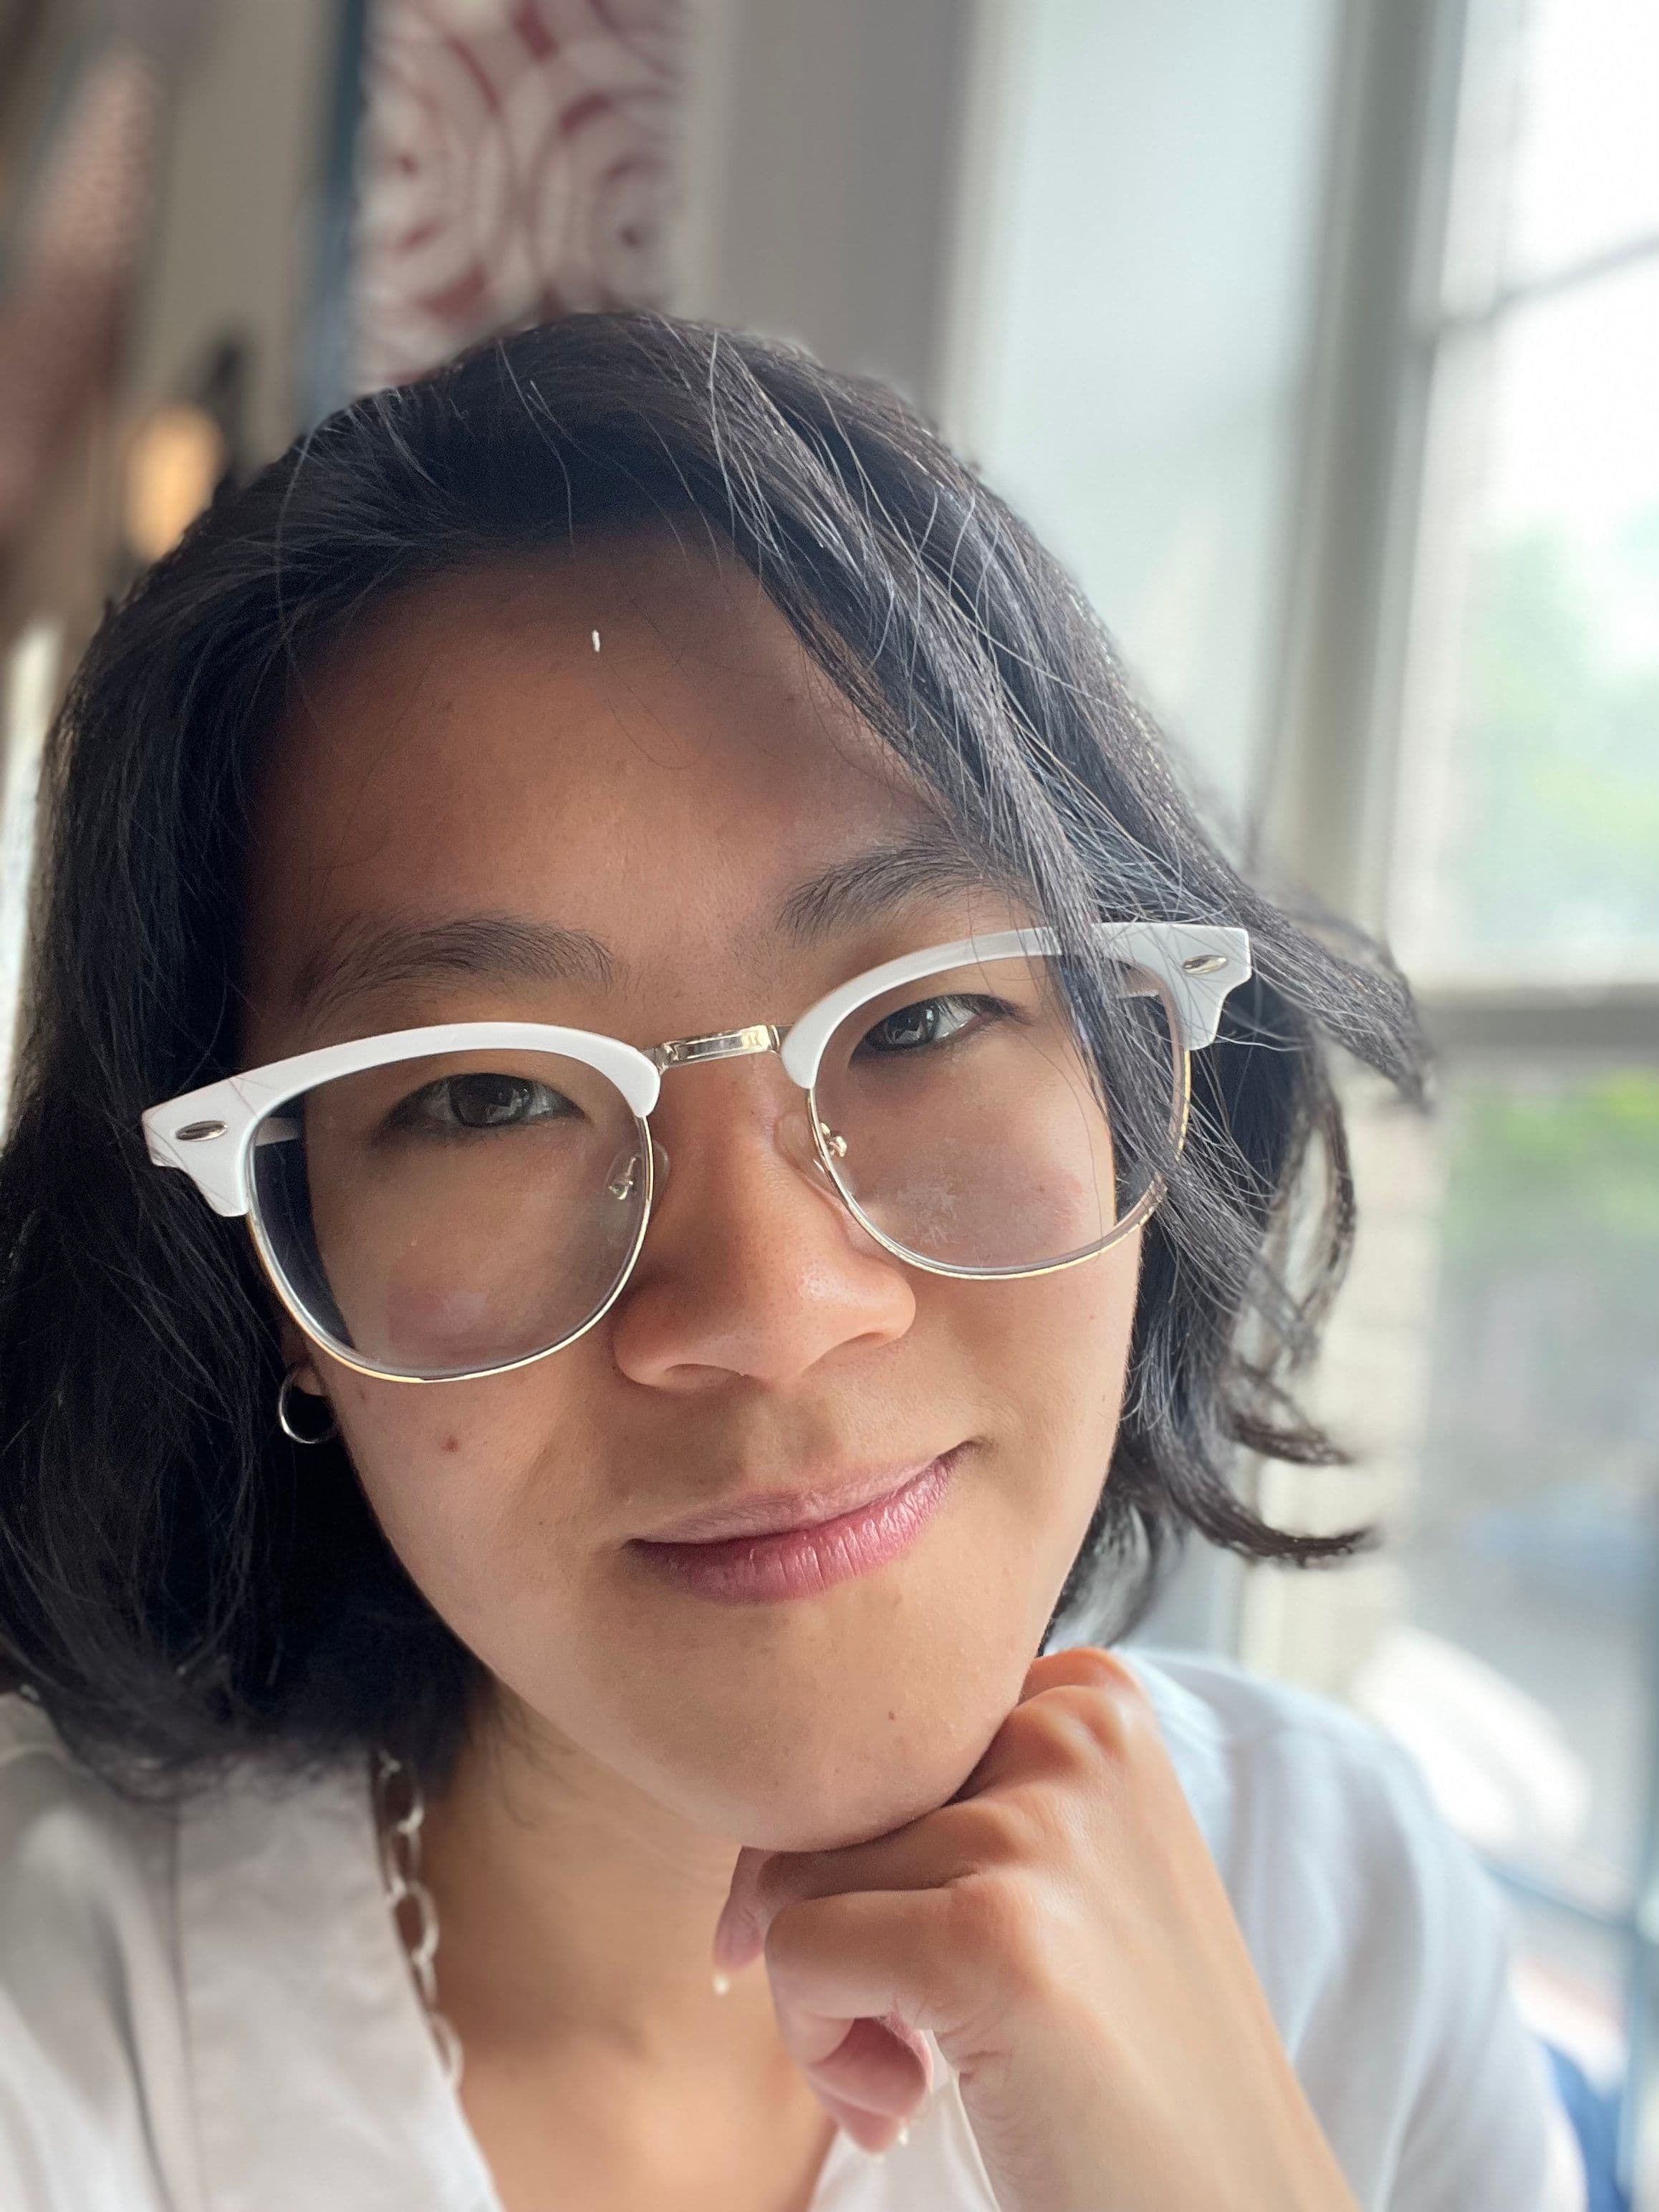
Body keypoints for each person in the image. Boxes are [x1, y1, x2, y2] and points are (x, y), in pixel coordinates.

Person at [0, 312, 1583, 2212]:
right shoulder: (57, 2050)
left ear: (1140, 1070)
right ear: (272, 1263)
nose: (762, 1309)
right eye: (489, 1097)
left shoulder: (1350, 1917)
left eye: (920, 1021)